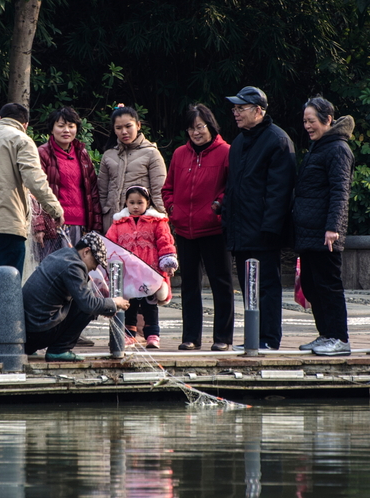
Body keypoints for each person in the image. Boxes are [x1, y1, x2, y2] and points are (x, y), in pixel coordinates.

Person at [0, 102, 64, 304]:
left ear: (0, 119)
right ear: (24, 124)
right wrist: (55, 209)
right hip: (9, 224)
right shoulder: (21, 140)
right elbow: (35, 180)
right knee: (8, 284)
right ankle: (6, 335)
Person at [221, 86, 295, 350]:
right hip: (241, 229)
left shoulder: (277, 140)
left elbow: (280, 191)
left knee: (266, 287)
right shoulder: (239, 141)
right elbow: (233, 187)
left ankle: (269, 339)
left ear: (258, 111)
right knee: (248, 286)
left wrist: (270, 229)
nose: (236, 113)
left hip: (264, 232)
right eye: (235, 109)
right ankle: (254, 337)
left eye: (241, 109)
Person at [162, 104, 235, 352]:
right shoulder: (180, 154)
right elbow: (167, 188)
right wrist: (172, 209)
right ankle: (190, 337)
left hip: (214, 229)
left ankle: (223, 338)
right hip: (185, 229)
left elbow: (232, 188)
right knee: (190, 285)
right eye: (191, 128)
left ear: (211, 126)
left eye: (200, 127)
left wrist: (217, 206)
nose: (196, 132)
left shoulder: (225, 152)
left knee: (221, 283)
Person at [293, 97, 355, 356]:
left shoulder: (338, 149)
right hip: (308, 232)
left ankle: (339, 338)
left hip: (325, 233)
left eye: (312, 121)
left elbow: (340, 191)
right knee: (310, 283)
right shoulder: (318, 147)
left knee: (328, 285)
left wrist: (333, 227)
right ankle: (325, 334)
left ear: (327, 120)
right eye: (305, 121)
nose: (307, 126)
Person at [22, 232, 130, 361]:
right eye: (95, 261)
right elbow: (88, 304)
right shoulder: (73, 266)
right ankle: (59, 350)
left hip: (26, 335)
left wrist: (104, 306)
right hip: (39, 332)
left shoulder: (63, 254)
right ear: (86, 252)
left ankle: (38, 348)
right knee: (88, 307)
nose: (95, 268)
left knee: (91, 302)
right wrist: (113, 303)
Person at [105, 186, 178, 349]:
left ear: (148, 202)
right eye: (132, 203)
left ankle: (152, 335)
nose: (135, 206)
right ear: (126, 203)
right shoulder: (118, 224)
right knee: (129, 304)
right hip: (128, 274)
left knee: (149, 304)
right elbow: (110, 245)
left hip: (150, 273)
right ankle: (129, 334)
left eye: (140, 202)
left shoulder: (157, 222)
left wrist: (168, 263)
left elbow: (165, 243)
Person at [33, 106, 103, 257]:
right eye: (61, 126)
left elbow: (93, 192)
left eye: (71, 126)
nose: (66, 130)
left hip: (82, 226)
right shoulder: (42, 154)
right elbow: (35, 192)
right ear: (51, 129)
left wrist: (97, 227)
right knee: (52, 274)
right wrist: (39, 225)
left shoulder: (82, 154)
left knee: (77, 274)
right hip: (54, 226)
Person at [97, 104, 167, 233]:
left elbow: (159, 192)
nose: (124, 131)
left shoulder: (151, 153)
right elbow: (102, 193)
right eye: (118, 128)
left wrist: (163, 220)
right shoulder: (108, 155)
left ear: (138, 125)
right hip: (112, 222)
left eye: (128, 126)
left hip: (141, 221)